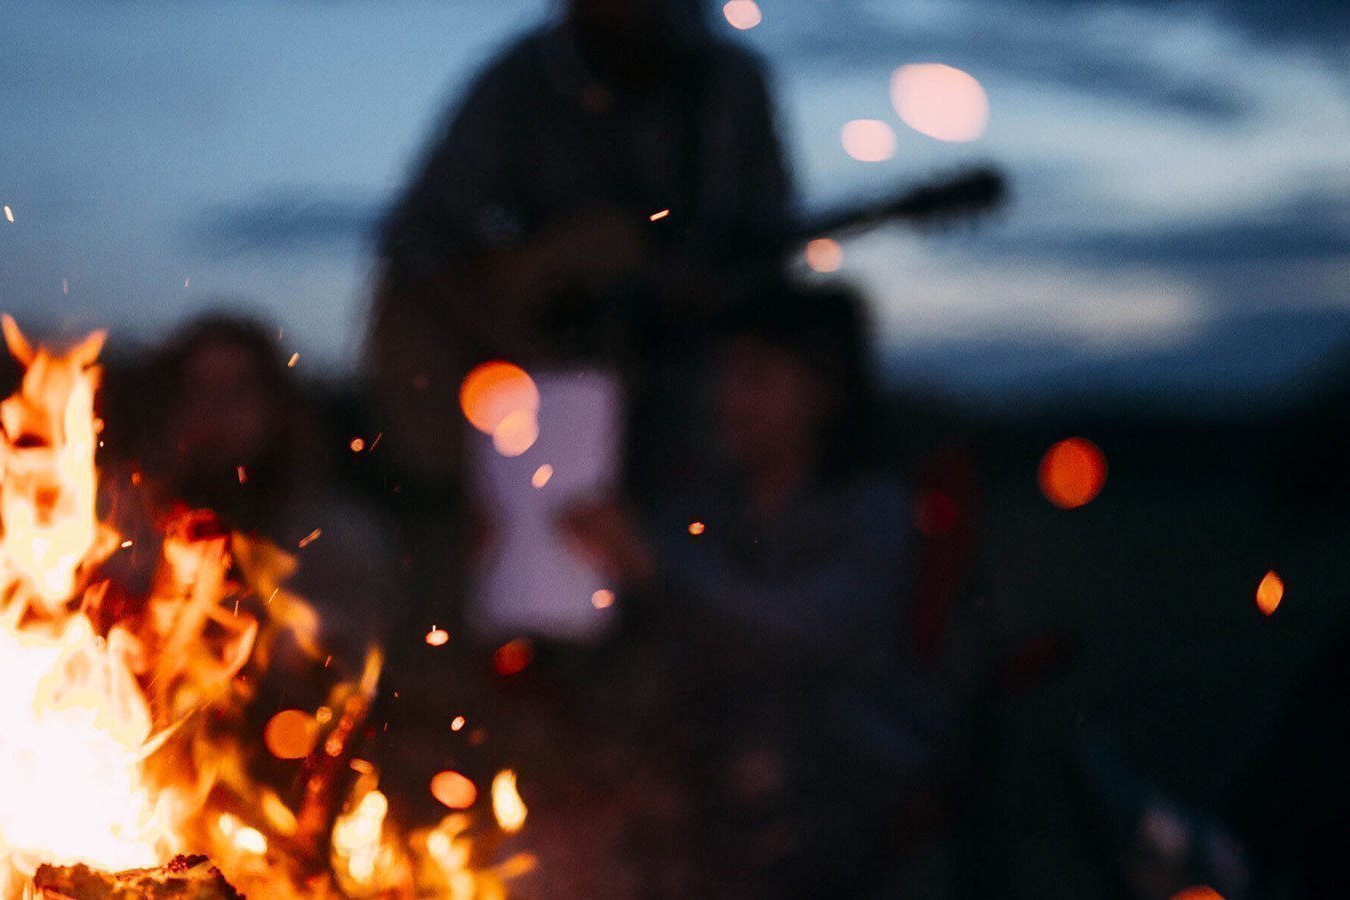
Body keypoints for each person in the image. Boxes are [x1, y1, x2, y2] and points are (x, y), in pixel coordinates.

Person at [563, 281, 982, 896]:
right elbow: (649, 610)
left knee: (754, 777)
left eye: (755, 378)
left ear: (823, 390)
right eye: (725, 377)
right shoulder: (710, 507)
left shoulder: (872, 511)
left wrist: (654, 568)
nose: (729, 400)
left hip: (845, 759)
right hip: (726, 746)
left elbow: (798, 637)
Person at [366, 0, 793, 496]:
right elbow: (416, 235)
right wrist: (518, 348)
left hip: (680, 374)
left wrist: (708, 288)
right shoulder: (519, 83)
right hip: (549, 387)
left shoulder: (726, 83)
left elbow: (765, 238)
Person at [135, 313, 397, 663]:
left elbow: (361, 668)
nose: (218, 409)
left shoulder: (336, 542)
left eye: (237, 389)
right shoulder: (124, 539)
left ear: (275, 407)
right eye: (201, 389)